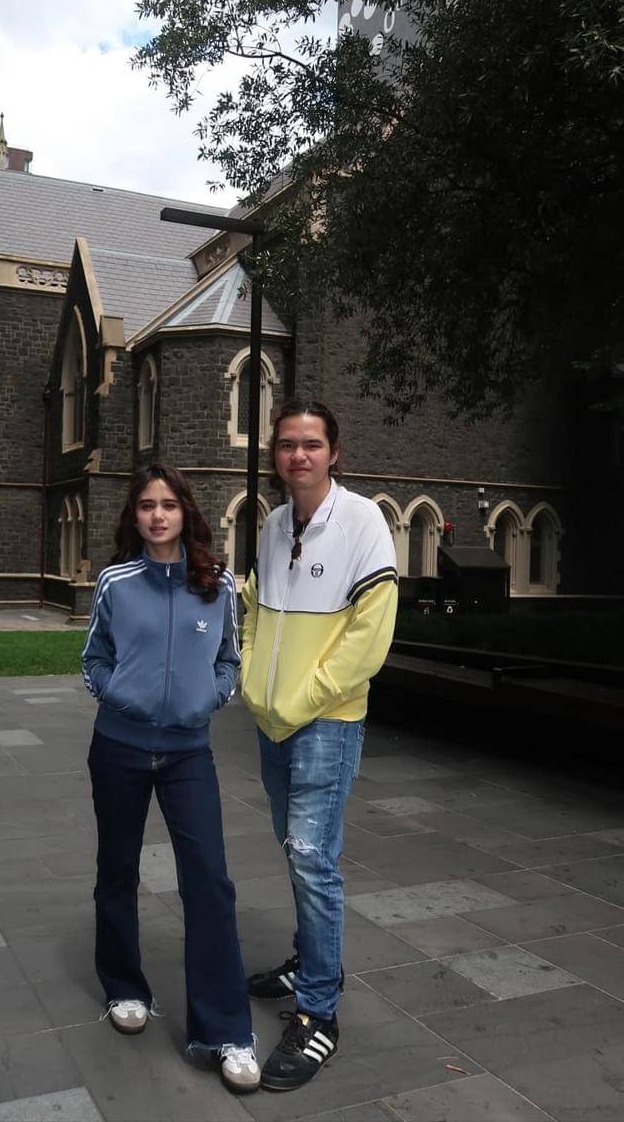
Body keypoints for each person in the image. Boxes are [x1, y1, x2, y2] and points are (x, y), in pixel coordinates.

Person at [82, 462, 260, 1095]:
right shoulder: (114, 582)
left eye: (168, 505)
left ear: (186, 512)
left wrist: (206, 700)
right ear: (134, 516)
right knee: (117, 869)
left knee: (209, 882)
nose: (158, 515)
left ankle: (227, 1029)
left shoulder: (218, 584)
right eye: (146, 506)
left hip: (188, 755)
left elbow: (230, 661)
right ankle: (124, 986)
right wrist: (118, 695)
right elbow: (94, 659)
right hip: (119, 748)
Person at [240, 399, 398, 1092]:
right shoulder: (276, 525)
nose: (297, 455)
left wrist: (305, 698)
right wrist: (253, 683)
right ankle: (309, 961)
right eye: (286, 444)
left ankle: (318, 1012)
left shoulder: (364, 521)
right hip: (272, 721)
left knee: (312, 857)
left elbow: (370, 636)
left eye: (311, 444)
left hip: (327, 723)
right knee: (296, 851)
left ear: (334, 452)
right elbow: (253, 607)